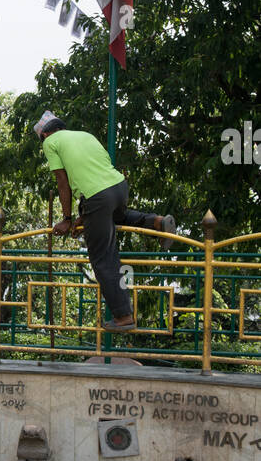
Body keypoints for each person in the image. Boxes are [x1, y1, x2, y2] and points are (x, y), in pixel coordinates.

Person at [34, 111, 176, 331]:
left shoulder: (50, 142)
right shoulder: (85, 135)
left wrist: (67, 218)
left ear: (44, 134)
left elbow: (62, 182)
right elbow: (97, 175)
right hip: (118, 188)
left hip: (97, 197)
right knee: (118, 217)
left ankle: (123, 316)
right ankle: (156, 222)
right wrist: (87, 217)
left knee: (102, 258)